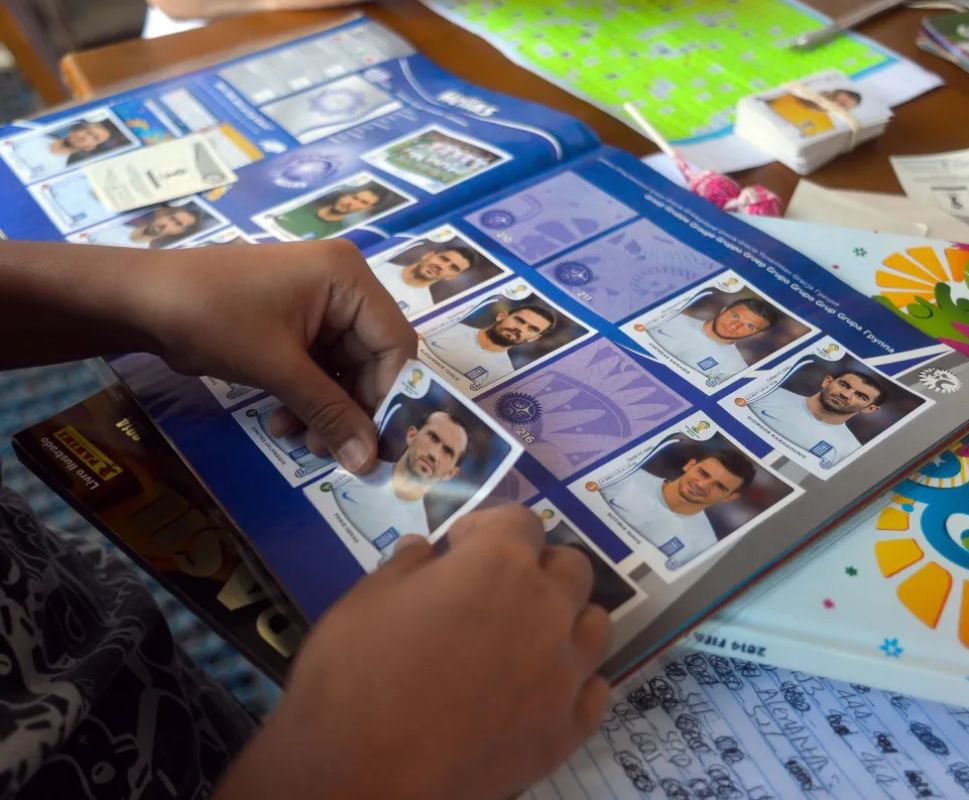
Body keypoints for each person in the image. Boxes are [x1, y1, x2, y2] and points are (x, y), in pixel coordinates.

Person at [0, 238, 611, 799]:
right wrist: (358, 764)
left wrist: (134, 293)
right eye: (438, 443)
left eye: (450, 455)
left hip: (106, 641)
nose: (434, 455)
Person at [334, 409, 471, 559]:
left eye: (447, 451)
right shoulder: (348, 466)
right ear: (412, 435)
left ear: (450, 474)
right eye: (433, 438)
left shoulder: (416, 539)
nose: (434, 454)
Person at [599, 448, 755, 570]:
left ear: (729, 497)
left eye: (719, 486)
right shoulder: (623, 477)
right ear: (689, 465)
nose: (702, 485)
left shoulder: (704, 544)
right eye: (703, 473)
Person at [749, 368, 888, 468]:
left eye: (860, 396)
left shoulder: (850, 451)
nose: (846, 395)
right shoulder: (765, 395)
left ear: (869, 409)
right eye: (843, 385)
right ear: (827, 382)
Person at [647, 297, 778, 384]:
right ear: (724, 310)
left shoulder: (735, 369)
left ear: (758, 333)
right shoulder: (669, 318)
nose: (734, 326)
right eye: (734, 316)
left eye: (749, 326)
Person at [425, 303, 557, 388]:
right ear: (501, 316)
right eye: (519, 320)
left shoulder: (502, 376)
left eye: (532, 329)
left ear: (534, 338)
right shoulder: (444, 328)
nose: (520, 328)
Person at [6, 118, 128, 177]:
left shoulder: (57, 170)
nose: (86, 137)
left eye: (95, 138)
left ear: (91, 147)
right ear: (75, 130)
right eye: (87, 131)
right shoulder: (33, 135)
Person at [376, 244, 477, 315]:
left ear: (451, 277)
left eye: (453, 268)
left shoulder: (422, 309)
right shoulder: (376, 265)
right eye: (444, 259)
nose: (441, 266)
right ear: (428, 255)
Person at [271, 184, 397, 240]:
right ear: (345, 195)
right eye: (354, 197)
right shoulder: (300, 203)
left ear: (367, 209)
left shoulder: (332, 235)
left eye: (363, 202)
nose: (351, 203)